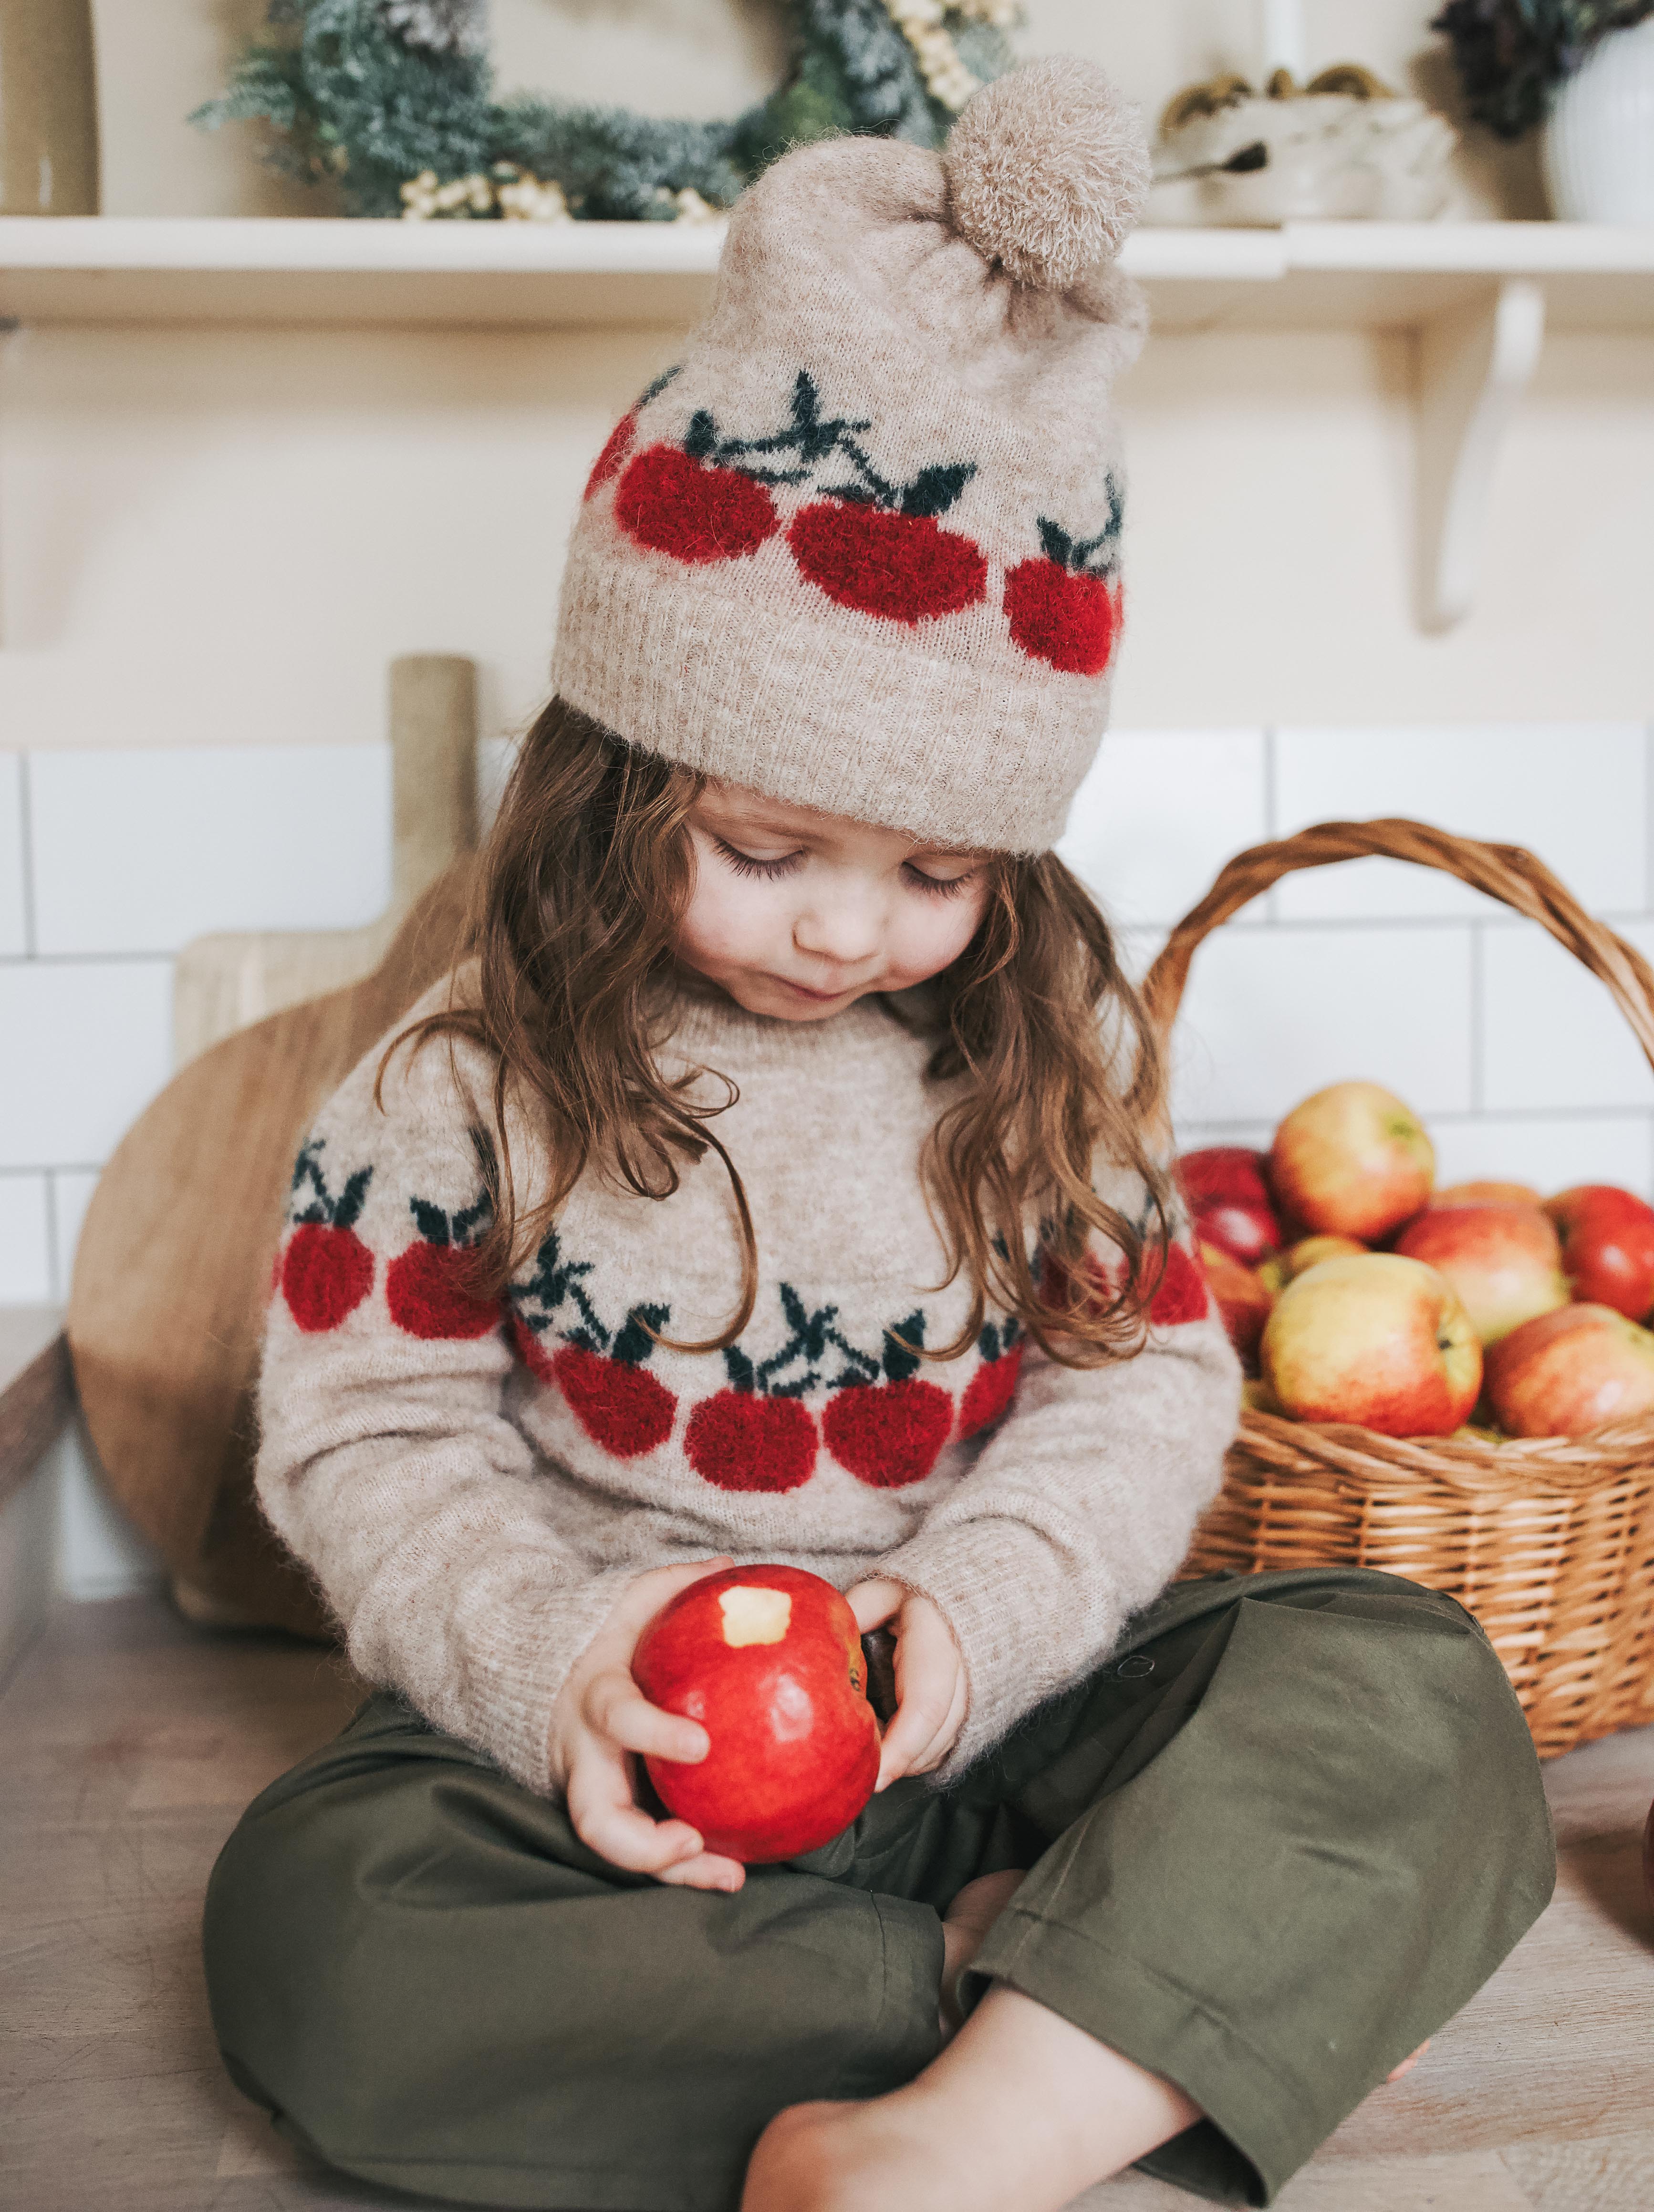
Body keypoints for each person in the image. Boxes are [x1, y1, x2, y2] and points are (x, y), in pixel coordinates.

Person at [201, 56, 1554, 2212]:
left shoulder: (1034, 1069)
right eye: (768, 845)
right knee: (319, 1920)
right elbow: (367, 1438)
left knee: (1408, 1687)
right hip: (603, 1767)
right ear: (619, 772)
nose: (848, 927)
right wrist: (550, 1670)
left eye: (939, 873)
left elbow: (1144, 1394)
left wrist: (993, 1606)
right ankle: (1075, 2005)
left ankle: (950, 2125)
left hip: (989, 1708)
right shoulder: (453, 1082)